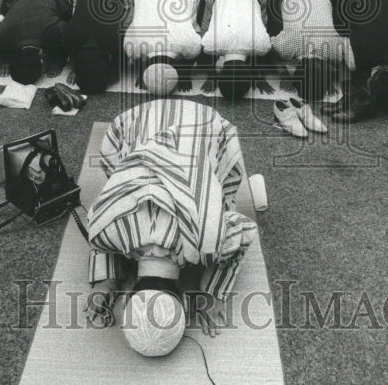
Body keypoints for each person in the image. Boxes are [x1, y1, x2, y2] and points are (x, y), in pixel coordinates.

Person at [85, 99, 258, 350]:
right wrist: (106, 281)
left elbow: (244, 231)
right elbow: (99, 232)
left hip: (203, 124)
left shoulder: (208, 244)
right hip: (139, 119)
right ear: (130, 295)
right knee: (117, 188)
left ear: (186, 303)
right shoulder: (107, 231)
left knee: (220, 201)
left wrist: (212, 293)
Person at [0, 0, 72, 84]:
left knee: (67, 17)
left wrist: (57, 61)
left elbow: (73, 36)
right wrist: (0, 60)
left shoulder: (54, 30)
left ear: (42, 61)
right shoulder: (4, 34)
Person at [63, 0, 131, 94]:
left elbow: (121, 58)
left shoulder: (111, 37)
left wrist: (114, 72)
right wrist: (76, 69)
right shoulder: (70, 36)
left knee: (126, 22)